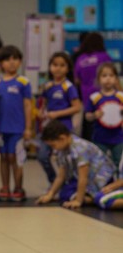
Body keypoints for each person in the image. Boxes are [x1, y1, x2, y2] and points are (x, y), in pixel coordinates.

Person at [36, 120, 117, 209]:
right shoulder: (62, 149)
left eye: (53, 145)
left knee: (71, 194)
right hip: (85, 178)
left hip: (100, 179)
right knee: (64, 193)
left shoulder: (80, 148)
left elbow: (83, 177)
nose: (53, 148)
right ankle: (85, 196)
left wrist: (78, 201)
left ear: (62, 138)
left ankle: (91, 198)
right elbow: (61, 176)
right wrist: (50, 194)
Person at [0, 45, 32, 202]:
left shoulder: (23, 82)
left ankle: (18, 188)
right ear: (1, 63)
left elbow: (28, 105)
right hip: (1, 129)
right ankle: (5, 187)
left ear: (20, 61)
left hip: (18, 129)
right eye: (7, 59)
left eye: (15, 59)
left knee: (16, 158)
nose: (12, 62)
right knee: (4, 157)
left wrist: (28, 128)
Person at [37, 52, 81, 188]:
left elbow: (77, 107)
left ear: (68, 69)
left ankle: (69, 184)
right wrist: (41, 112)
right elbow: (43, 103)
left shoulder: (69, 87)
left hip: (64, 127)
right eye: (55, 65)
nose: (58, 68)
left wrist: (57, 114)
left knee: (66, 159)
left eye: (62, 65)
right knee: (42, 156)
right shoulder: (48, 86)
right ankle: (54, 182)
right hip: (49, 128)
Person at [74, 32, 112, 140]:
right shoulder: (104, 57)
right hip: (103, 96)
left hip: (86, 97)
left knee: (88, 126)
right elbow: (112, 75)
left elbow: (77, 80)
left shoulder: (80, 59)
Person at [85, 63, 123, 167]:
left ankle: (118, 183)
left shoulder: (121, 96)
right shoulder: (94, 97)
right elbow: (87, 116)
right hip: (100, 137)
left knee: (118, 163)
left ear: (116, 78)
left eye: (111, 75)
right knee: (99, 164)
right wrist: (94, 115)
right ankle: (102, 183)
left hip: (119, 138)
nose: (108, 79)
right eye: (104, 75)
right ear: (98, 79)